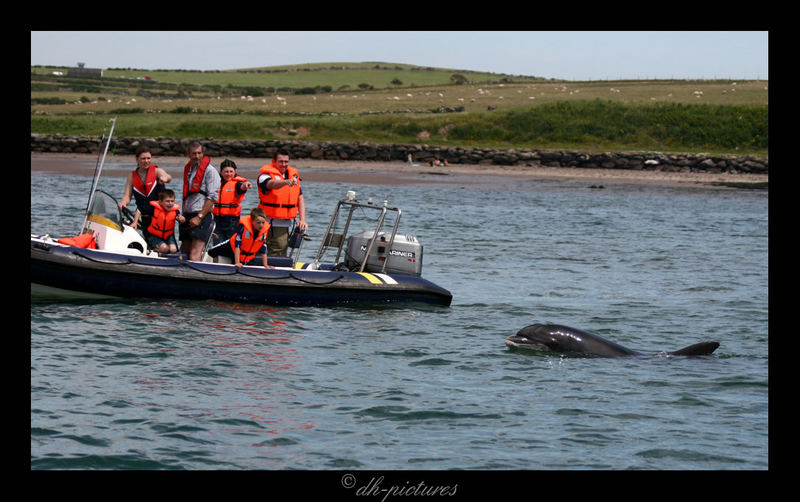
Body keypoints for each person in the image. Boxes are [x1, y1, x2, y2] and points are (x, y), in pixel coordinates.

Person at [256, 149, 308, 256]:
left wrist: (302, 219)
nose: (284, 164)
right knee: (258, 246)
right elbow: (270, 184)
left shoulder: (293, 176)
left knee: (280, 248)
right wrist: (285, 182)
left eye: (286, 161)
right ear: (273, 161)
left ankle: (275, 268)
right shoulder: (264, 175)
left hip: (283, 222)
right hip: (264, 220)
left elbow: (300, 198)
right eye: (281, 161)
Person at [179, 141, 220, 261]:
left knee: (194, 254)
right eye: (194, 153)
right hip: (187, 215)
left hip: (201, 216)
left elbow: (212, 197)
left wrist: (199, 217)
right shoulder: (189, 170)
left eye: (199, 153)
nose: (196, 156)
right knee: (183, 252)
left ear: (203, 154)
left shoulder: (210, 171)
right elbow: (185, 195)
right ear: (188, 154)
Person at [118, 146, 172, 233]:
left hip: (159, 216)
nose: (146, 161)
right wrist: (123, 203)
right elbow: (127, 195)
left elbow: (168, 176)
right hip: (144, 217)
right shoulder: (132, 176)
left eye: (148, 158)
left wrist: (165, 178)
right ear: (137, 159)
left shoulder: (157, 171)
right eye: (143, 158)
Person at [211, 159, 252, 245]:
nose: (229, 174)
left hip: (232, 221)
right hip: (217, 219)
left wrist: (245, 185)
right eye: (226, 171)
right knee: (217, 243)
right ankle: (217, 257)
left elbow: (242, 187)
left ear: (235, 172)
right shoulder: (216, 183)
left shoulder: (237, 184)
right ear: (221, 172)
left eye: (231, 171)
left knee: (231, 244)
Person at [146, 189, 185, 254]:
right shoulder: (152, 208)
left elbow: (181, 219)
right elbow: (140, 210)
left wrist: (182, 219)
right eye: (167, 201)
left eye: (172, 201)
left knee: (173, 250)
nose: (170, 203)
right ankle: (151, 249)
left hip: (168, 235)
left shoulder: (175, 211)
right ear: (160, 202)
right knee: (165, 249)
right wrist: (135, 222)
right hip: (154, 235)